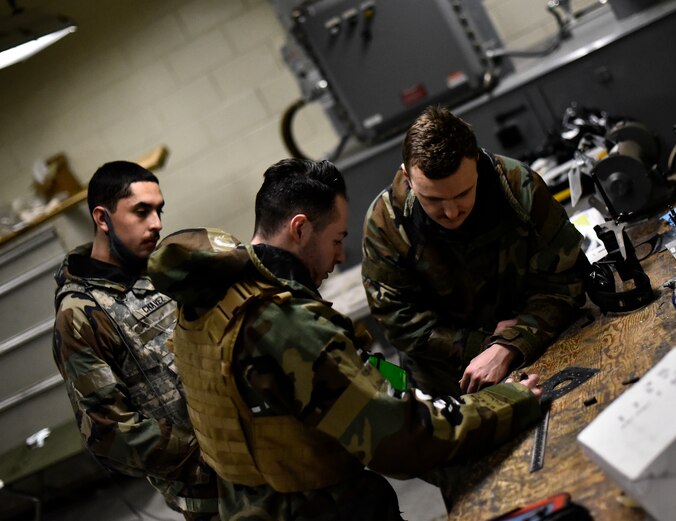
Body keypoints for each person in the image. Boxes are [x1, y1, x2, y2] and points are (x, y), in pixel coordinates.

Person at [147, 158, 543, 520]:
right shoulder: (284, 322)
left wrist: (416, 389)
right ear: (300, 228)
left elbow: (356, 369)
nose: (340, 257)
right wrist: (507, 401)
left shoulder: (213, 305)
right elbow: (397, 437)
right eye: (337, 239)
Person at [362, 105, 587, 396]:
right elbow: (399, 322)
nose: (451, 212)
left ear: (477, 164)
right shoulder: (386, 222)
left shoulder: (518, 188)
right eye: (433, 199)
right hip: (446, 387)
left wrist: (509, 344)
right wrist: (481, 345)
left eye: (462, 193)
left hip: (537, 354)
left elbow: (566, 282)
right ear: (407, 177)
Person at [52, 161, 219, 520]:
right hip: (211, 492)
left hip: (259, 455)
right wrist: (208, 459)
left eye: (159, 211)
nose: (156, 223)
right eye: (142, 212)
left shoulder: (166, 269)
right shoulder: (81, 314)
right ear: (102, 218)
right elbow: (109, 432)